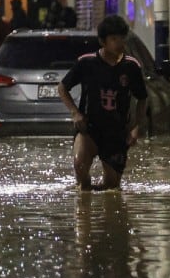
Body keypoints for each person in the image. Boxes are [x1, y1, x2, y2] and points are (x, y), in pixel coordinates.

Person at [58, 15, 148, 191]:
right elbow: (62, 88)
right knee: (80, 166)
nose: (120, 43)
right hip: (88, 128)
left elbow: (142, 98)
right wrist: (75, 113)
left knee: (112, 186)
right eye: (114, 39)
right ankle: (83, 208)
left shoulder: (131, 67)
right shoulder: (86, 63)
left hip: (117, 132)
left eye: (122, 38)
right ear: (103, 41)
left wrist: (136, 127)